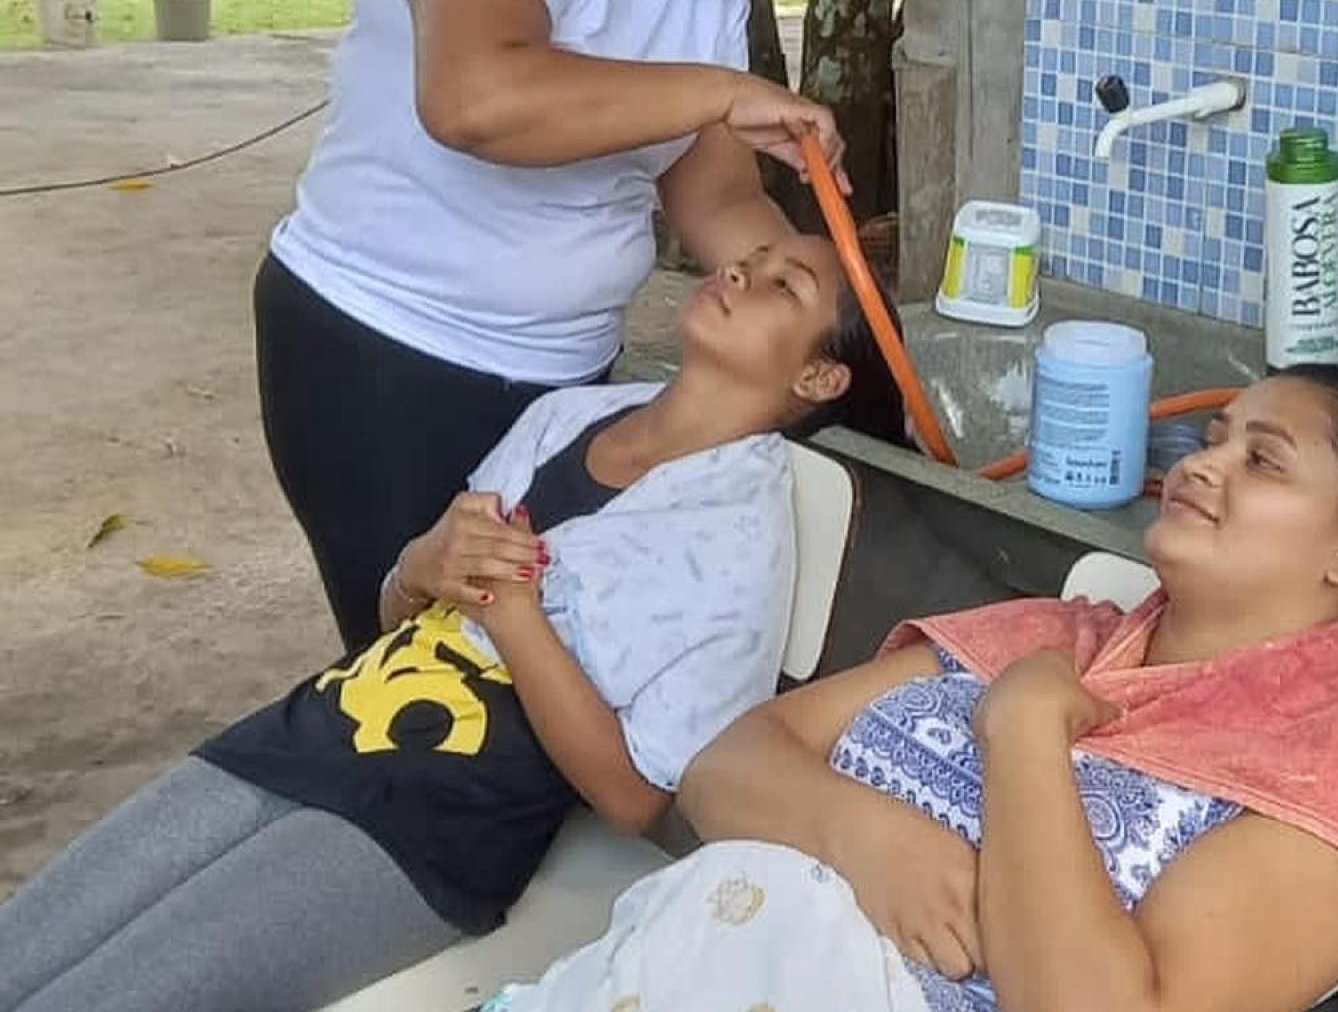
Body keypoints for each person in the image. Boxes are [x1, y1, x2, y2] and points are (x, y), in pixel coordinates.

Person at [0, 234, 909, 1012]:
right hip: (313, 727)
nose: (741, 273)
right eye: (751, 258)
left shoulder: (740, 542)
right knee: (22, 955)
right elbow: (404, 609)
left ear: (818, 374)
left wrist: (516, 620)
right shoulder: (568, 415)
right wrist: (418, 566)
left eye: (784, 285)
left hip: (425, 825)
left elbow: (639, 799)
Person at [483, 367, 1338, 1012]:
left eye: (1260, 459)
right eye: (1215, 434)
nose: (1202, 463)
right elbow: (725, 764)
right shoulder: (1059, 631)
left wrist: (1026, 734)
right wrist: (865, 836)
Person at [257, 0, 868, 649]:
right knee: (414, 663)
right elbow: (474, 100)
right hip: (385, 351)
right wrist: (718, 91)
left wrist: (830, 320)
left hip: (565, 381)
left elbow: (713, 197)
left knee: (539, 658)